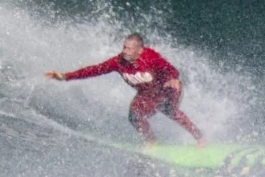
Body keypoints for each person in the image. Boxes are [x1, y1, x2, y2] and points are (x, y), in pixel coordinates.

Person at [46, 33, 204, 145]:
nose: (125, 51)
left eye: (129, 49)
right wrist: (65, 76)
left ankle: (200, 139)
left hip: (168, 89)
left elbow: (170, 69)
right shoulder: (118, 62)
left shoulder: (151, 57)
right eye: (124, 47)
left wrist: (172, 79)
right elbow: (94, 69)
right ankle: (152, 143)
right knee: (134, 116)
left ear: (139, 50)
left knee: (167, 109)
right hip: (147, 95)